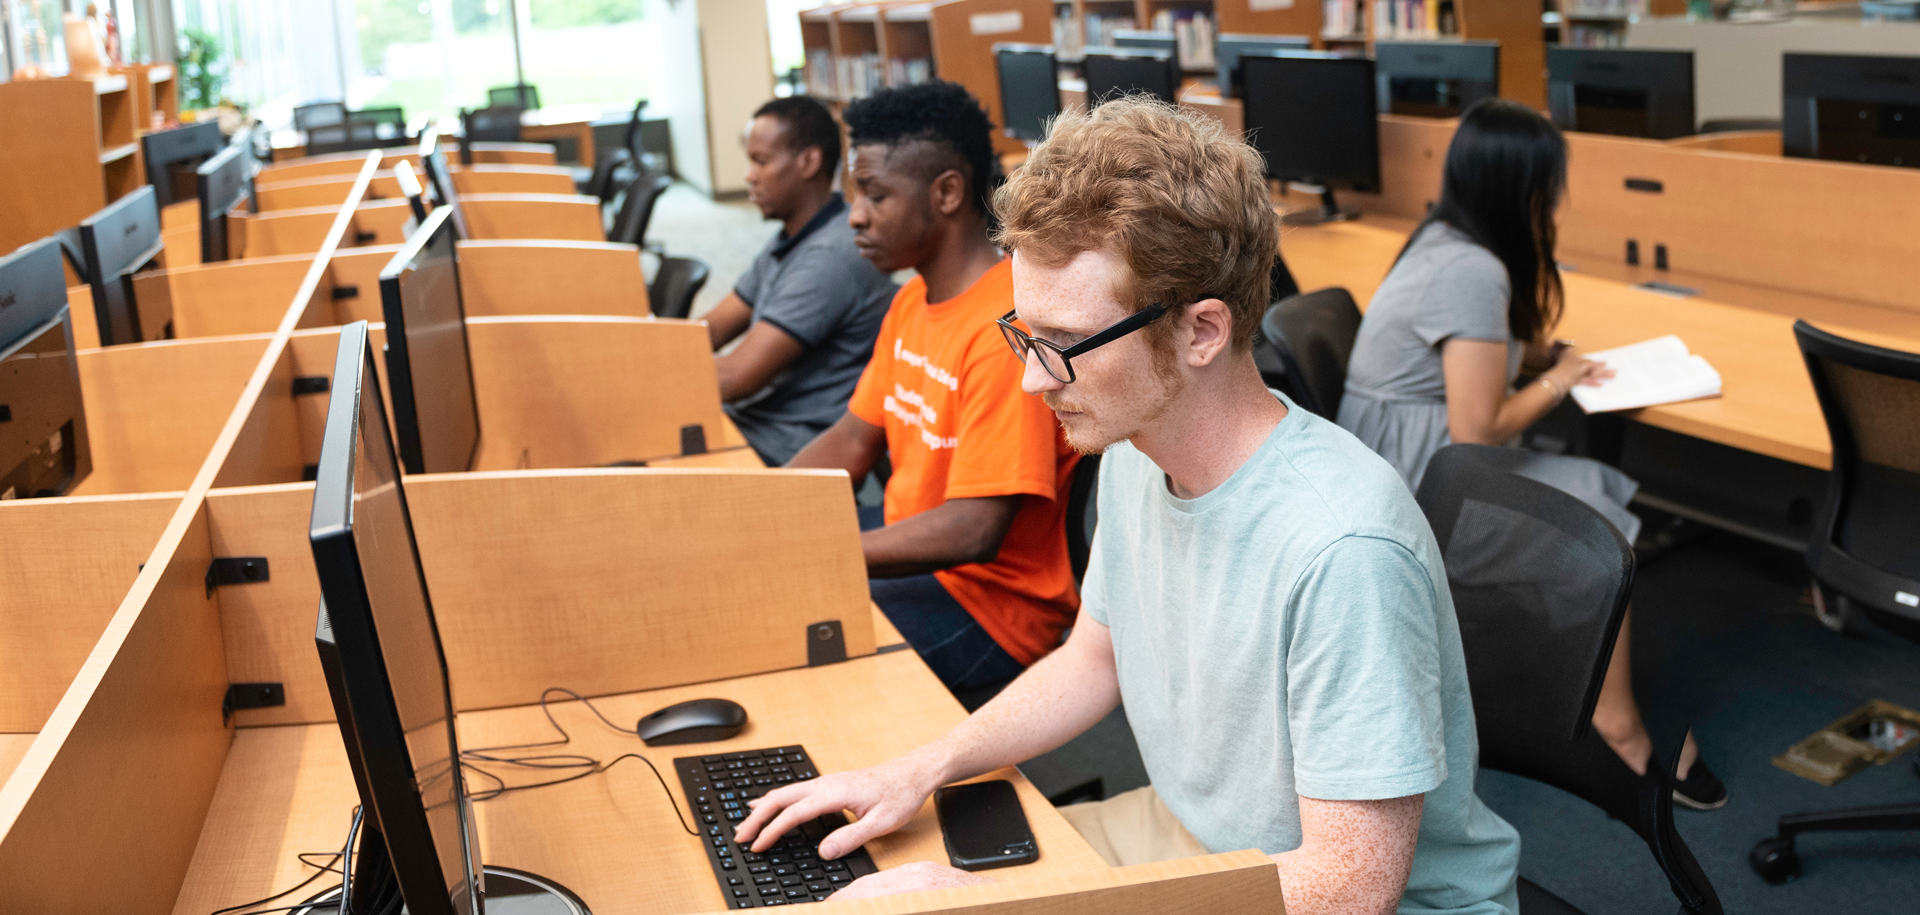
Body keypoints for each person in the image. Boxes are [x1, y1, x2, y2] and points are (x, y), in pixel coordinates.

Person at [746, 97, 1524, 914]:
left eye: (1066, 346)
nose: (1032, 379)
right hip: (1200, 842)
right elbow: (1094, 659)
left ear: (1201, 332)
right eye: (1025, 332)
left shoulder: (1342, 549)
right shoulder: (1133, 448)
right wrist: (919, 767)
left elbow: (1347, 889)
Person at [1337, 98, 1726, 810]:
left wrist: (1535, 353)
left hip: (1401, 452)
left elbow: (1461, 360)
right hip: (1419, 483)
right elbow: (1478, 430)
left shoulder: (1447, 238)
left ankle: (1597, 692)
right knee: (1600, 517)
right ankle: (1619, 725)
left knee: (1600, 494)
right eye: (1550, 185)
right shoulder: (1471, 270)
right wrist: (1559, 377)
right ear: (1520, 188)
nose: (1558, 201)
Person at [786, 82, 1081, 697]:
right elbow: (850, 438)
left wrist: (817, 549)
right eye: (853, 196)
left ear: (946, 192)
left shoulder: (1009, 330)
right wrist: (752, 509)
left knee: (787, 639)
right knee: (762, 592)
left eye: (875, 195)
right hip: (912, 549)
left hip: (990, 608)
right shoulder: (912, 300)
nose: (855, 216)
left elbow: (975, 529)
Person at [704, 96, 898, 466]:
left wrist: (641, 377)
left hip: (781, 449)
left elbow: (733, 379)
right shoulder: (795, 236)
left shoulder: (830, 257)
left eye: (760, 161)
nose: (749, 175)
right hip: (753, 424)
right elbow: (711, 327)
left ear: (809, 162)